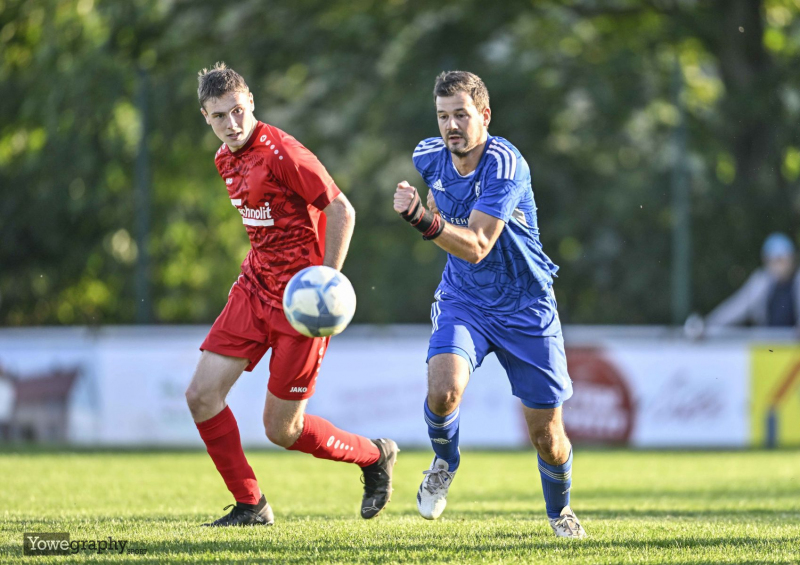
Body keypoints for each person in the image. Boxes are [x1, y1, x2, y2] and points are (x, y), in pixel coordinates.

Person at [185, 62, 398, 527]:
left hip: (303, 304)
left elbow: (342, 208)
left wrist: (327, 281)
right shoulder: (224, 159)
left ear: (252, 103)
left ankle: (374, 456)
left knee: (283, 430)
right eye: (220, 116)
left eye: (238, 111)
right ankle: (251, 506)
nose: (232, 124)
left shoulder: (281, 151)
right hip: (254, 289)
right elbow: (268, 228)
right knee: (201, 396)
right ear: (206, 117)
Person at [392, 71, 586, 538]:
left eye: (461, 114)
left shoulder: (505, 163)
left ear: (485, 114)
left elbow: (478, 243)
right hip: (466, 300)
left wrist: (421, 217)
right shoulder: (428, 157)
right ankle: (445, 461)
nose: (451, 125)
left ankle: (560, 512)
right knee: (443, 391)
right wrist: (431, 208)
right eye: (443, 116)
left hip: (527, 307)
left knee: (548, 438)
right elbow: (456, 229)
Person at [704, 232, 800, 328]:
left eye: (782, 260)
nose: (779, 266)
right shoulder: (761, 283)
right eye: (774, 261)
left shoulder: (797, 281)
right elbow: (736, 307)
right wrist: (708, 325)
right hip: (768, 341)